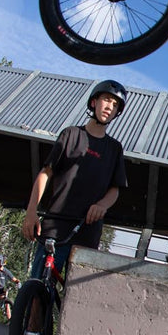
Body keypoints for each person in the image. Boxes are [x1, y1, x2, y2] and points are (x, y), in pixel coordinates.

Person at [21, 79, 129, 278]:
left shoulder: (114, 148)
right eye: (106, 100)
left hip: (87, 233)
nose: (110, 107)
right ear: (94, 102)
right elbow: (46, 173)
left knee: (74, 298)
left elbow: (115, 189)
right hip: (55, 225)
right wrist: (31, 212)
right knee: (38, 286)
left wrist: (102, 205)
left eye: (115, 105)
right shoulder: (70, 134)